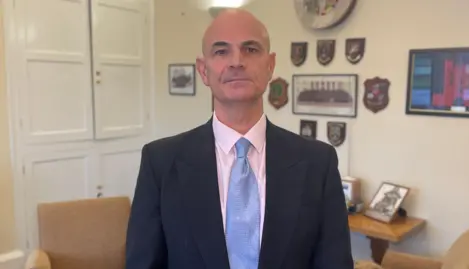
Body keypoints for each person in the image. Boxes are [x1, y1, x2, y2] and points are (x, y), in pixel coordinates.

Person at [125, 8, 354, 269]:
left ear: (270, 65)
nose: (236, 61)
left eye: (251, 49)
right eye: (221, 51)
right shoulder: (161, 163)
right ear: (203, 70)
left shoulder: (318, 163)